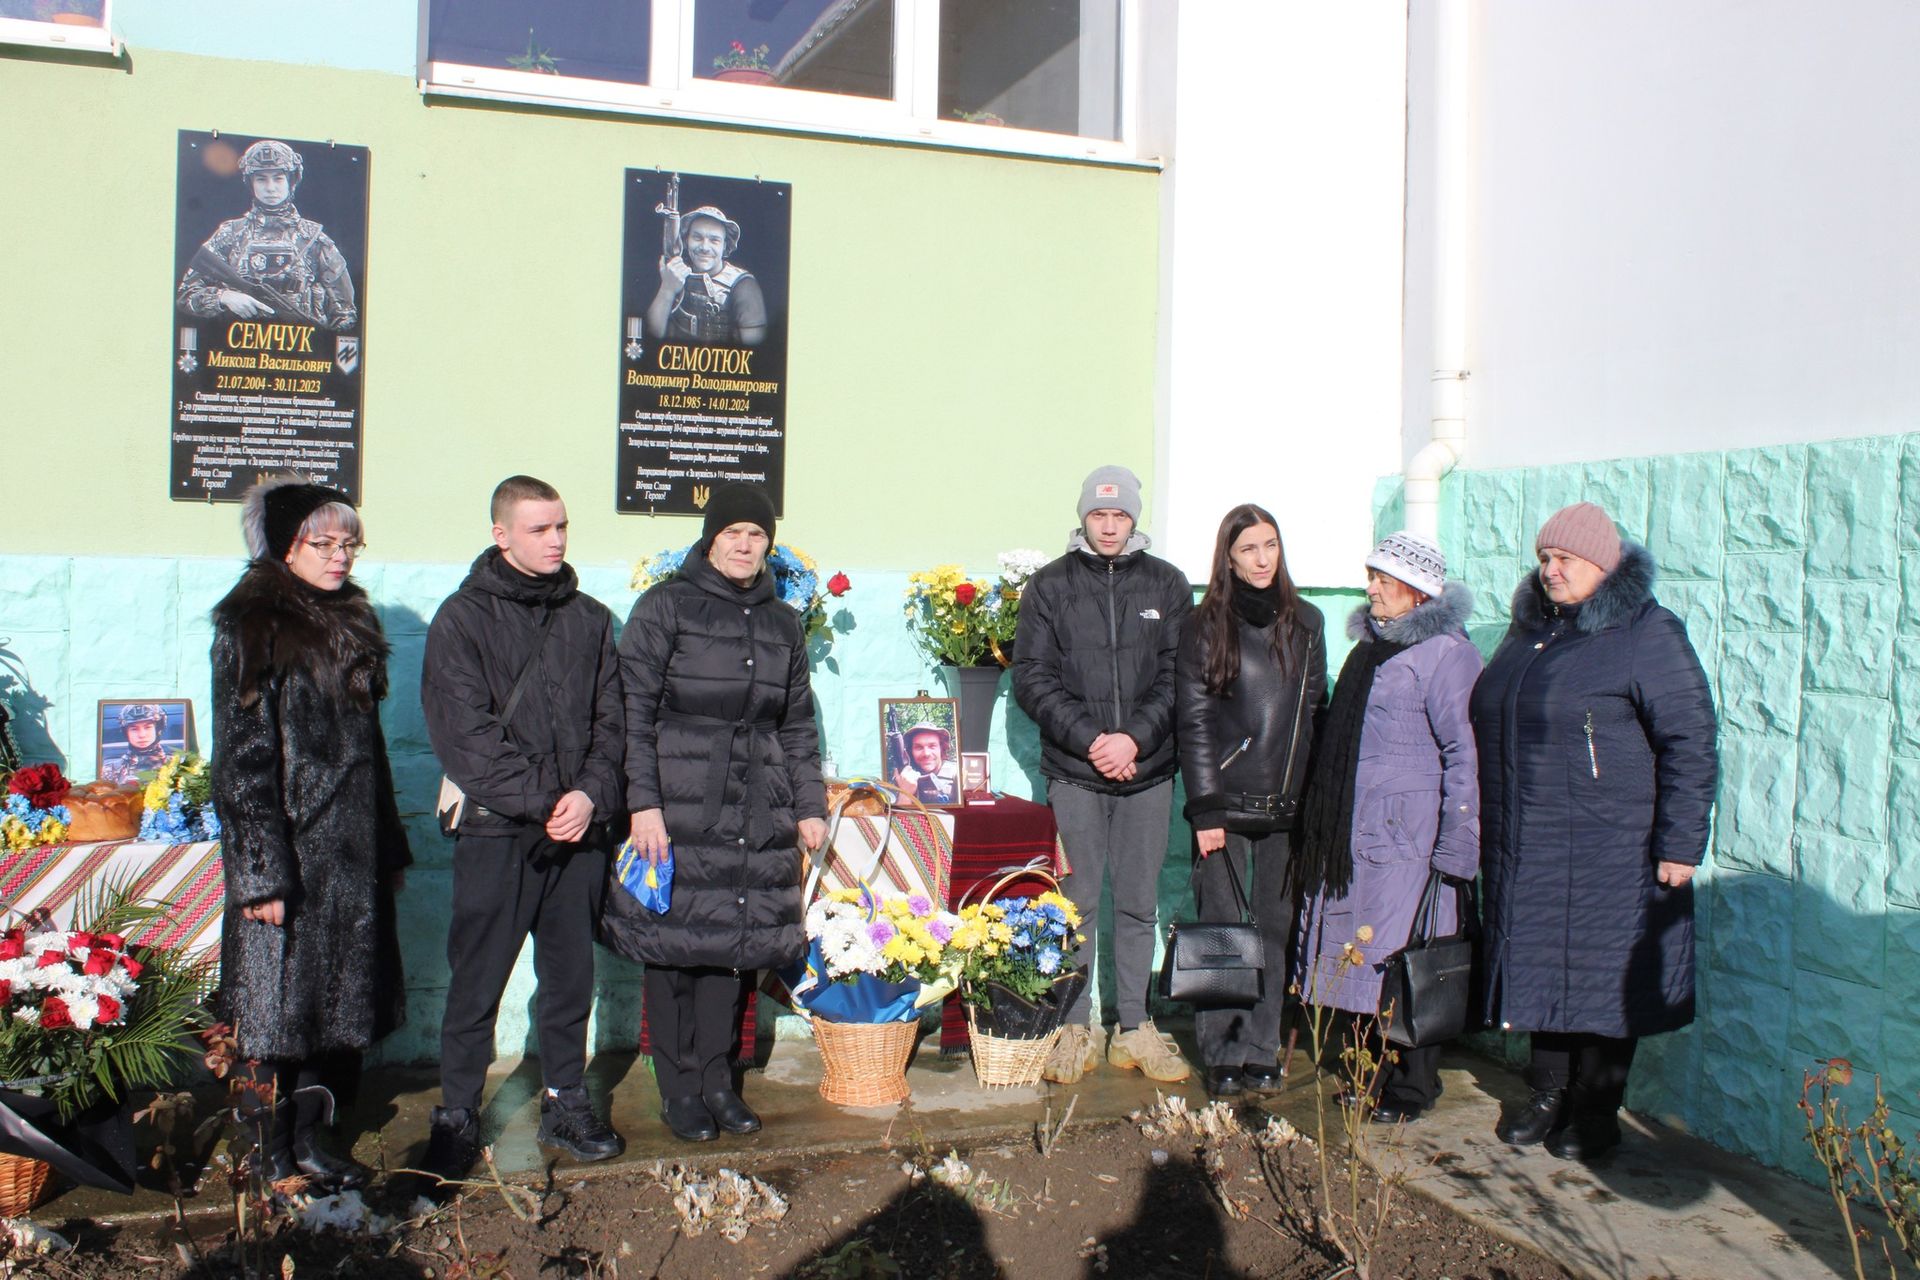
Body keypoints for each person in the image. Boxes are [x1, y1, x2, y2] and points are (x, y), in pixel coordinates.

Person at [1470, 502, 1717, 1161]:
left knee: (1606, 981)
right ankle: (1548, 1096)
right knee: (1538, 968)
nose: (1550, 571)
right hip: (1530, 838)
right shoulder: (1531, 633)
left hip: (1617, 845)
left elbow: (1690, 741)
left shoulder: (1647, 632)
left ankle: (1596, 1111)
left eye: (1565, 561)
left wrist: (1680, 845)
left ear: (1604, 568)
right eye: (1544, 559)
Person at [601, 483, 828, 1142]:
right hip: (676, 801)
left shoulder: (783, 622)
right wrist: (642, 803)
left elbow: (797, 725)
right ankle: (679, 1090)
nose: (743, 544)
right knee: (674, 949)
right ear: (709, 537)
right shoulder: (665, 607)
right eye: (731, 532)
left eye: (755, 534)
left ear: (768, 543)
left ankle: (718, 1082)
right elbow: (632, 711)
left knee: (734, 945)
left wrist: (808, 806)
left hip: (756, 805)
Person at [421, 476, 627, 1177]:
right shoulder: (461, 620)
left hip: (579, 834)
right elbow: (465, 738)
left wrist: (592, 796)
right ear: (500, 534)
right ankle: (455, 1114)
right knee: (477, 982)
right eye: (540, 529)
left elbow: (612, 722)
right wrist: (548, 800)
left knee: (569, 980)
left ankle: (566, 1101)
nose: (557, 540)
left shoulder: (592, 619)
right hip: (497, 832)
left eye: (562, 526)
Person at [208, 475, 409, 1193]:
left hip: (350, 855)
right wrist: (260, 875)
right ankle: (263, 1150)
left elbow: (371, 753)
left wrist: (388, 848)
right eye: (322, 543)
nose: (340, 556)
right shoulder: (253, 624)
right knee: (271, 1010)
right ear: (284, 546)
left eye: (348, 543)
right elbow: (240, 761)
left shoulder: (351, 621)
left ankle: (313, 1137)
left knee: (336, 1006)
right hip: (290, 852)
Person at [1013, 465, 1195, 1086]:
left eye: (1120, 515)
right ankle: (1073, 1026)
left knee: (1139, 905)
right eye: (1099, 515)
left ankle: (1135, 1028)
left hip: (1147, 772)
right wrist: (1094, 740)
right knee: (1078, 904)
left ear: (1134, 518)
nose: (1110, 525)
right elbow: (1032, 678)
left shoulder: (1167, 585)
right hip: (1076, 772)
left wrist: (1134, 739)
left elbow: (1179, 676)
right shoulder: (1049, 587)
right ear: (1083, 517)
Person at [1294, 531, 1481, 1123]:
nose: (1371, 588)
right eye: (1370, 576)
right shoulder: (1373, 648)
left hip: (1411, 840)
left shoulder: (1449, 656)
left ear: (1420, 591)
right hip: (1357, 835)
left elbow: (1464, 754)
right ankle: (1370, 1073)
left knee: (1408, 960)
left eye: (1384, 578)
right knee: (1365, 958)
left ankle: (1412, 1088)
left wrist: (1458, 843)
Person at [1174, 505, 1326, 1098]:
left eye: (1271, 546)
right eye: (1249, 550)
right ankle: (1222, 1053)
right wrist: (1207, 809)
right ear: (1228, 559)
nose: (1263, 560)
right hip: (1226, 806)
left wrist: (1312, 801)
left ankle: (1263, 1049)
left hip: (1287, 808)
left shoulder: (1307, 622)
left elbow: (1312, 713)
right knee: (1220, 932)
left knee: (1274, 929)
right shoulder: (1204, 624)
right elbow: (1194, 721)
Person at [176, 139, 359, 333]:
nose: (270, 187)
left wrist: (321, 349)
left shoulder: (314, 239)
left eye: (278, 178)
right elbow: (186, 295)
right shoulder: (230, 235)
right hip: (236, 351)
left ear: (291, 181)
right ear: (251, 183)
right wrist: (224, 297)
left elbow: (346, 314)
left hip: (302, 355)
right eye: (261, 179)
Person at [642, 205, 768, 347]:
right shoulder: (674, 274)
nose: (704, 247)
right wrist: (667, 289)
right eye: (697, 237)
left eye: (714, 240)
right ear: (686, 240)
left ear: (725, 245)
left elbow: (754, 350)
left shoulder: (744, 285)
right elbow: (652, 336)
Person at [891, 722, 959, 804]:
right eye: (919, 747)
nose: (926, 753)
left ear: (941, 748)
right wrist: (905, 793)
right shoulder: (904, 777)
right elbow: (897, 815)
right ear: (910, 752)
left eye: (932, 746)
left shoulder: (956, 774)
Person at [103, 704, 171, 783]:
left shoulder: (176, 766)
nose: (142, 735)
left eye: (148, 727)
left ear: (157, 729)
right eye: (134, 729)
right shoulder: (111, 770)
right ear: (126, 733)